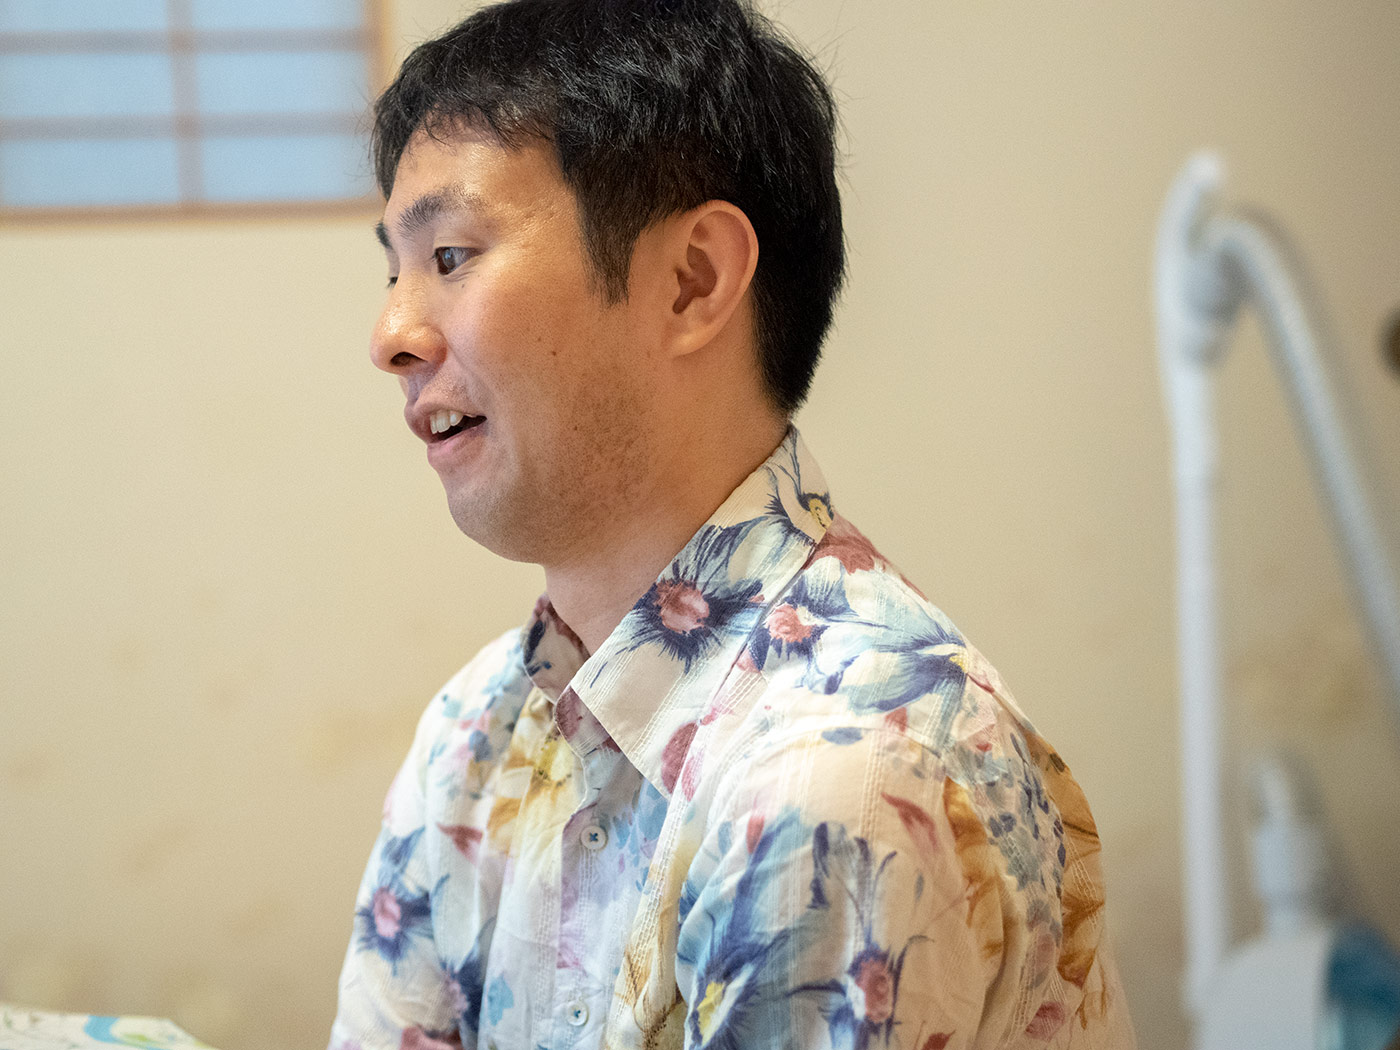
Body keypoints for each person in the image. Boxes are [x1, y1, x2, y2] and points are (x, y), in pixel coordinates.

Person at [330, 0, 1136, 1047]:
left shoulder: (844, 775)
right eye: (393, 268)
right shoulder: (475, 735)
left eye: (449, 256)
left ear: (692, 280)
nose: (391, 333)